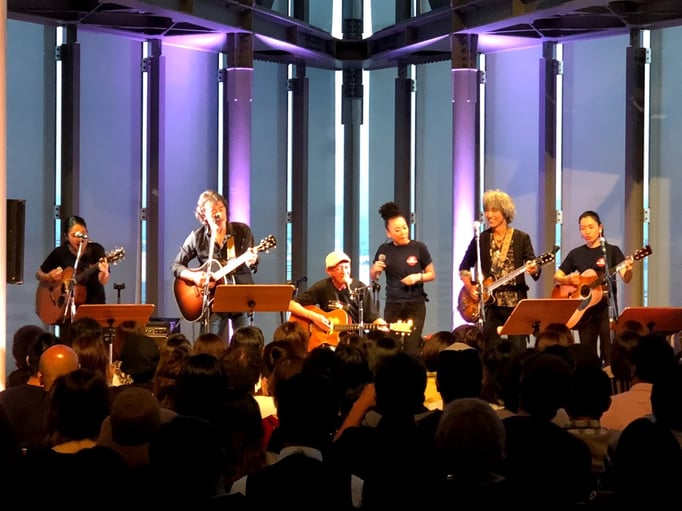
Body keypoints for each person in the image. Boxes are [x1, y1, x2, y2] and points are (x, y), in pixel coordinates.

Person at [458, 189, 540, 353]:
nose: (489, 215)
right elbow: (464, 267)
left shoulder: (521, 238)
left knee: (518, 349)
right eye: (486, 210)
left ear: (505, 212)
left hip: (515, 304)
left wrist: (533, 269)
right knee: (490, 350)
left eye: (494, 210)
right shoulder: (481, 239)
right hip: (490, 306)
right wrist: (469, 287)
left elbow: (534, 268)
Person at [171, 190, 259, 341]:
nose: (218, 214)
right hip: (212, 300)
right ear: (203, 215)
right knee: (208, 344)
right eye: (213, 211)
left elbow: (252, 265)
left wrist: (252, 261)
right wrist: (194, 277)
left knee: (246, 343)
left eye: (221, 209)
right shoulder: (197, 237)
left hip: (240, 295)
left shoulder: (242, 231)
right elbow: (176, 265)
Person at [553, 210, 633, 364]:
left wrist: (628, 268)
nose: (586, 232)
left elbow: (626, 278)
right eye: (582, 228)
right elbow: (557, 276)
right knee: (587, 353)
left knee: (609, 351)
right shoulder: (576, 253)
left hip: (606, 309)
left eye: (590, 227)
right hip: (584, 310)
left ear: (600, 227)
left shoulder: (612, 251)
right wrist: (567, 279)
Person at [370, 202, 435, 357]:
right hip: (393, 304)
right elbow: (375, 277)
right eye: (397, 230)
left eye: (404, 227)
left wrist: (417, 277)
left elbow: (431, 274)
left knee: (412, 348)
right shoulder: (384, 250)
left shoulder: (419, 247)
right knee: (391, 347)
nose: (403, 232)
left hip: (415, 304)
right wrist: (374, 270)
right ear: (388, 233)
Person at [289, 250, 387, 350]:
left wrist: (384, 326)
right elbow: (291, 304)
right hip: (328, 343)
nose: (344, 272)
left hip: (354, 342)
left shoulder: (360, 288)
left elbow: (373, 317)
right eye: (339, 268)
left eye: (346, 267)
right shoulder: (322, 287)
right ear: (329, 271)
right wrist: (315, 317)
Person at [35, 215, 111, 334]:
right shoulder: (60, 253)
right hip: (67, 312)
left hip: (94, 307)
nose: (79, 239)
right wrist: (48, 276)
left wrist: (104, 272)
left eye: (83, 234)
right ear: (66, 236)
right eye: (74, 235)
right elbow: (39, 274)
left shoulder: (96, 250)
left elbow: (102, 281)